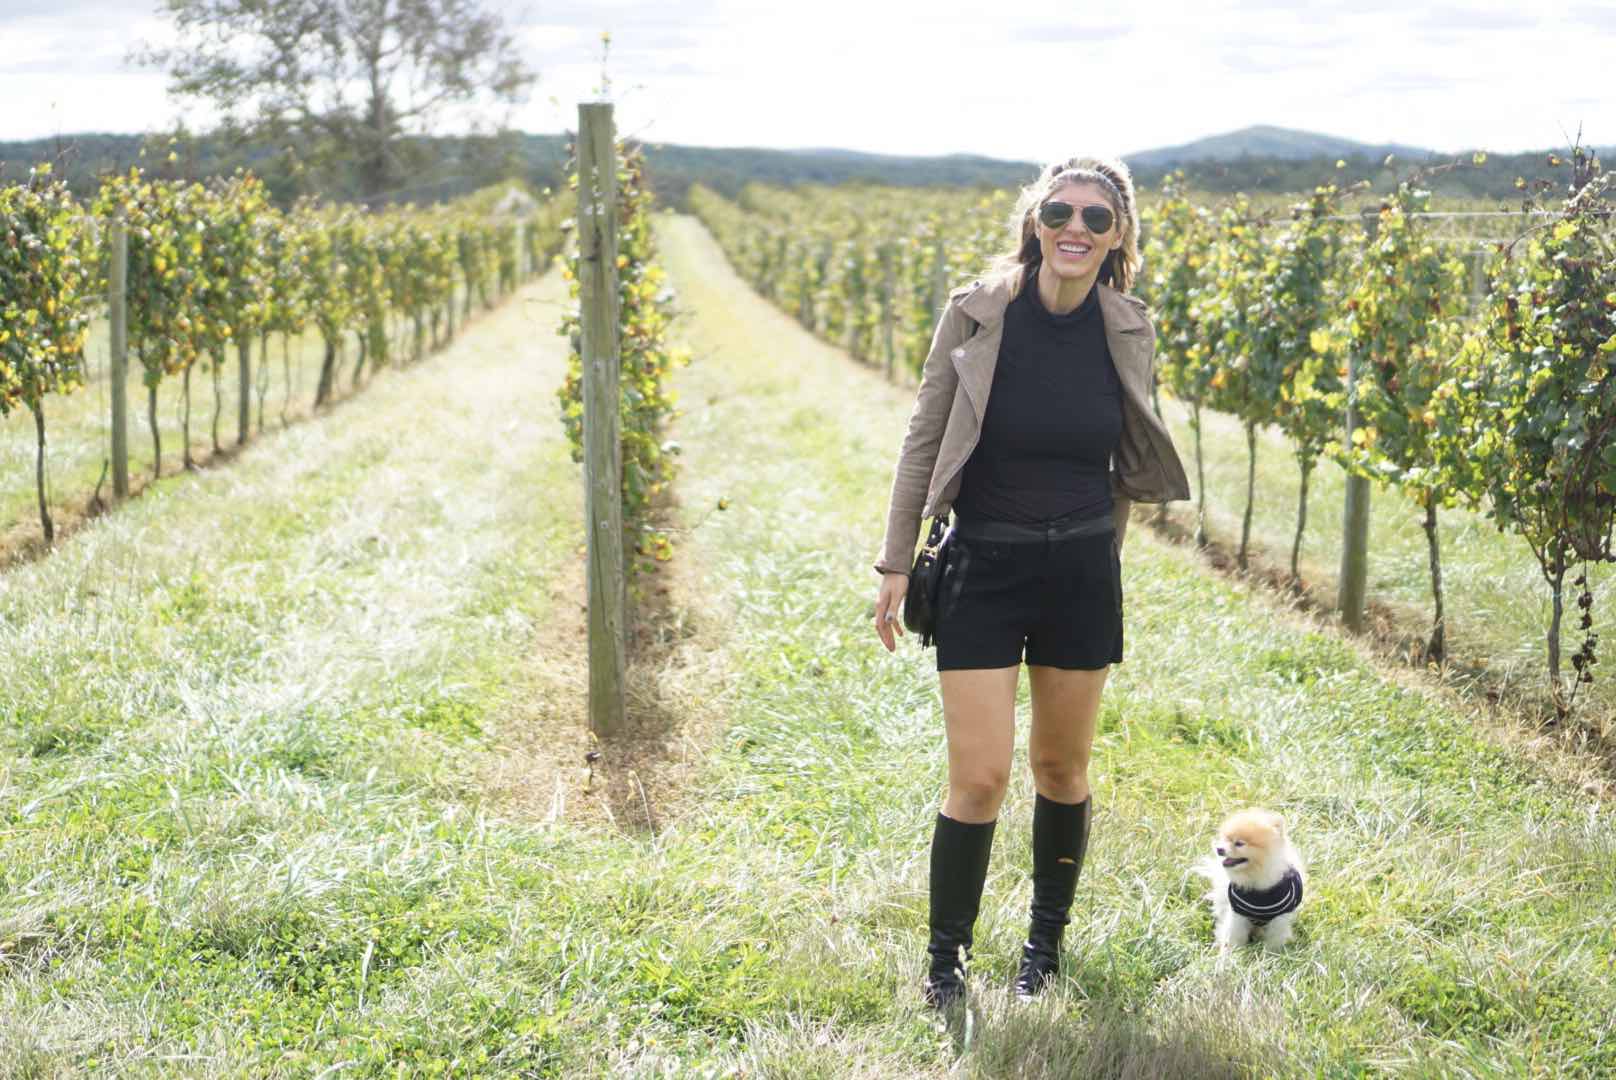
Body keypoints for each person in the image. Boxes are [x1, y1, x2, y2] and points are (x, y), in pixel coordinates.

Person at [871, 156, 1190, 1006]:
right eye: (1060, 212)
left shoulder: (1128, 327)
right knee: (979, 778)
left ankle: (1043, 950)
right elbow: (924, 434)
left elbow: (1128, 453)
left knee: (1060, 768)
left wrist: (1103, 553)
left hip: (1079, 571)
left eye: (1096, 218)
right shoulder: (977, 313)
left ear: (1118, 237)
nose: (1075, 228)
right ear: (1035, 222)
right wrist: (896, 560)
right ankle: (946, 962)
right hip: (983, 564)